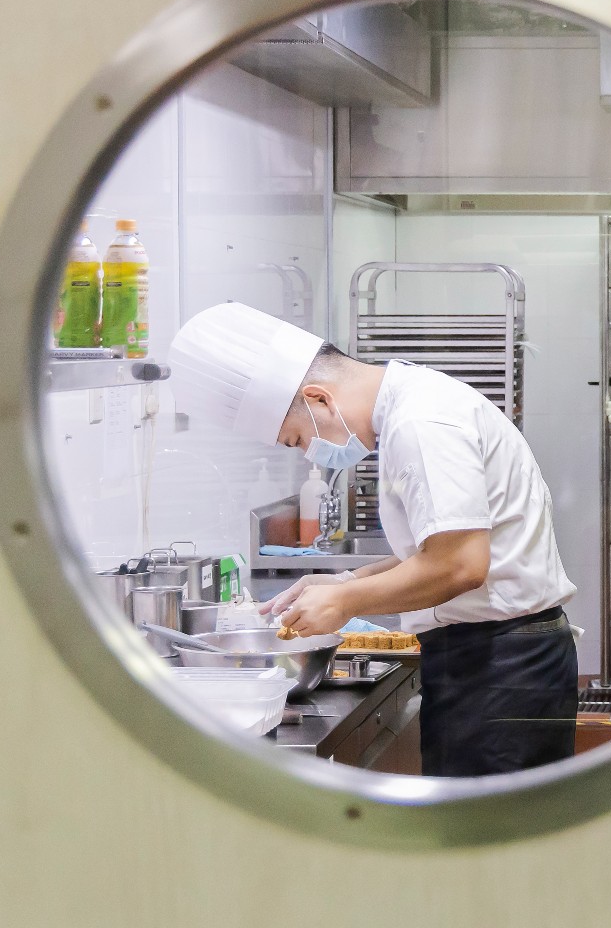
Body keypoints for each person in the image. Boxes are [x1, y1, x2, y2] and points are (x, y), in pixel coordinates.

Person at [167, 301, 579, 776]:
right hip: (497, 658)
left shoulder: (421, 424)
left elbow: (461, 565)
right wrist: (344, 581)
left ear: (319, 399)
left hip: (502, 667)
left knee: (487, 844)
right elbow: (435, 551)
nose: (308, 455)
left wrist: (346, 603)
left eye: (297, 439)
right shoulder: (414, 404)